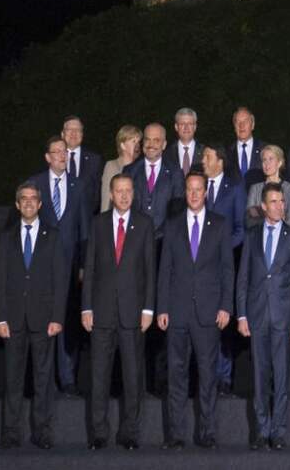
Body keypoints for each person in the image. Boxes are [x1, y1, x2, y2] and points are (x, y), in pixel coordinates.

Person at [156, 170, 234, 450]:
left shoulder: (220, 225)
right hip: (177, 312)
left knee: (208, 376)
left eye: (198, 189)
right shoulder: (172, 225)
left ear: (206, 193)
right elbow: (165, 270)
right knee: (176, 376)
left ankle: (207, 433)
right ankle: (176, 435)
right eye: (189, 189)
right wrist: (162, 308)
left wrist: (226, 306)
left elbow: (227, 269)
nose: (194, 194)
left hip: (209, 313)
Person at [81, 174, 156, 450]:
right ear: (111, 195)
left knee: (133, 377)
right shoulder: (98, 224)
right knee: (99, 376)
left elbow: (150, 269)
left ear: (133, 194)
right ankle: (99, 433)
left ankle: (130, 433)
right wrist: (86, 307)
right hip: (101, 313)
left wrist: (148, 308)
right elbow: (90, 268)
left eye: (128, 191)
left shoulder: (145, 224)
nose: (124, 196)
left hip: (133, 313)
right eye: (119, 191)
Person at [0, 182, 68, 450]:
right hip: (12, 320)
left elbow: (61, 280)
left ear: (40, 204)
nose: (28, 202)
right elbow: (0, 280)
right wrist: (0, 318)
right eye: (23, 199)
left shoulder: (53, 236)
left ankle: (42, 432)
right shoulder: (6, 237)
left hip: (44, 319)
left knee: (43, 379)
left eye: (33, 198)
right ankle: (11, 433)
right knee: (12, 379)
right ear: (17, 204)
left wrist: (57, 317)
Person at [236, 183, 290, 450]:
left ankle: (278, 431)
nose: (279, 206)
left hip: (283, 317)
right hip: (256, 316)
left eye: (282, 201)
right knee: (259, 376)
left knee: (280, 377)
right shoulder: (251, 236)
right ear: (264, 206)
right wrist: (241, 315)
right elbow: (243, 278)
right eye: (274, 202)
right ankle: (261, 430)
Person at [29, 135, 91, 397]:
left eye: (64, 151)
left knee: (67, 321)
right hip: (41, 267)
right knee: (42, 321)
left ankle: (67, 378)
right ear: (47, 157)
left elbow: (84, 228)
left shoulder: (79, 185)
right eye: (56, 152)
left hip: (69, 266)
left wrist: (83, 265)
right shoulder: (35, 184)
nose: (62, 156)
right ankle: (43, 380)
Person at [202, 143, 247, 395]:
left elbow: (241, 229)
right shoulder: (197, 186)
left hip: (224, 266)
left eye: (207, 157)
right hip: (198, 268)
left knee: (223, 321)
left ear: (220, 161)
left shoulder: (235, 189)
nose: (203, 161)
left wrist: (219, 249)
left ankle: (224, 377)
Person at [125, 122, 185, 239]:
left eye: (156, 140)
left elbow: (178, 211)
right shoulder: (130, 171)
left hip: (165, 240)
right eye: (147, 139)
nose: (151, 144)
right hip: (135, 239)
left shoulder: (175, 173)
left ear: (164, 144)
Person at [245, 144, 290, 229]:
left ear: (279, 163)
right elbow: (249, 220)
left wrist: (261, 214)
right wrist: (275, 219)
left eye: (271, 159)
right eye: (264, 160)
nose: (267, 163)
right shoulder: (255, 188)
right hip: (259, 235)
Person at [61, 115, 103, 213]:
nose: (73, 133)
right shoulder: (54, 158)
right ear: (62, 134)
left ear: (82, 134)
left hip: (87, 218)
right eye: (69, 129)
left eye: (78, 130)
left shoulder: (95, 160)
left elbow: (97, 193)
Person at [101, 124, 142, 212]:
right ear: (123, 145)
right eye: (133, 141)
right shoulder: (112, 166)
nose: (137, 145)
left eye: (139, 142)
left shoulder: (141, 167)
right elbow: (106, 199)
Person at [225, 106, 265, 189]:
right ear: (234, 127)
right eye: (238, 122)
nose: (241, 125)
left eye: (245, 121)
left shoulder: (265, 149)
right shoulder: (226, 152)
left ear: (252, 125)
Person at [163, 107, 203, 178]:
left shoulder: (205, 152)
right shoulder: (166, 153)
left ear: (195, 127)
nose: (186, 128)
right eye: (182, 124)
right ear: (176, 127)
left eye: (190, 124)